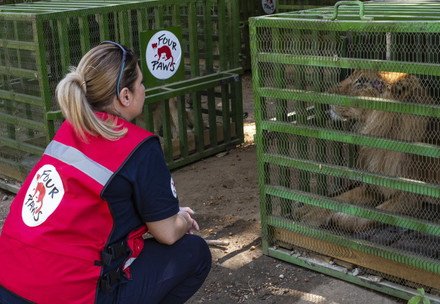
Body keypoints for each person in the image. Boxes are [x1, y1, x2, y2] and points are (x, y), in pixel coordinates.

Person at [0, 41, 211, 304]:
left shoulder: (68, 130)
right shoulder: (140, 147)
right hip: (64, 293)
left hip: (9, 279)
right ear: (125, 96)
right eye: (141, 84)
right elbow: (167, 233)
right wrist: (183, 221)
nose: (144, 90)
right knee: (195, 252)